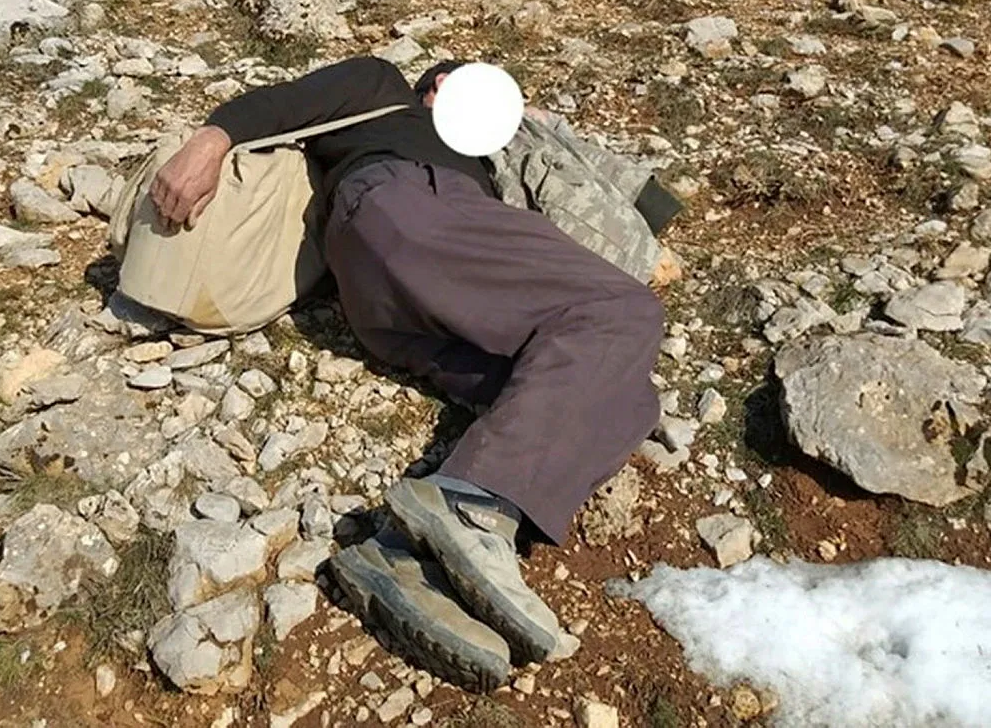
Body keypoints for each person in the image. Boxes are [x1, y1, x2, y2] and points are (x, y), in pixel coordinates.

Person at [150, 56, 666, 691]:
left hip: (392, 299)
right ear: (443, 88)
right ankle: (473, 508)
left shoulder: (488, 165)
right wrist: (210, 138)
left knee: (624, 401)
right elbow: (288, 97)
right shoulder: (384, 89)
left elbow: (640, 199)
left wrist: (539, 129)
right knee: (619, 310)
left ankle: (403, 562)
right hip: (411, 203)